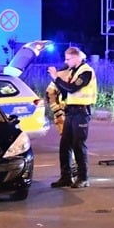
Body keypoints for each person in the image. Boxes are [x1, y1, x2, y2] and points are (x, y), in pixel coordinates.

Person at [47, 46, 97, 188]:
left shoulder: (86, 71)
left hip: (81, 112)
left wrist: (57, 77)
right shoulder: (73, 72)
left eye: (68, 59)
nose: (66, 61)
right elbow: (66, 91)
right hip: (71, 112)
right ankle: (66, 177)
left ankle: (83, 178)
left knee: (78, 144)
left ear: (77, 58)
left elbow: (73, 88)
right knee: (65, 145)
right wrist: (56, 81)